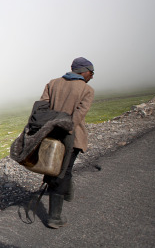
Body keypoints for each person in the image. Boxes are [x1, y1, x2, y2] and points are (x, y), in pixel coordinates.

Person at [39, 57, 95, 229]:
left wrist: (51, 126)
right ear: (83, 71)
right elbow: (78, 116)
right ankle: (54, 217)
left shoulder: (53, 83)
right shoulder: (87, 90)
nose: (92, 76)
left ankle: (67, 192)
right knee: (61, 172)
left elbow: (41, 108)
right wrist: (65, 128)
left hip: (50, 134)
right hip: (72, 136)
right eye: (91, 73)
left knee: (56, 169)